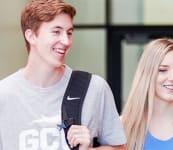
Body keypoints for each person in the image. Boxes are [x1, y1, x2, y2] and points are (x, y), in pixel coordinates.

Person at [0, 0, 126, 149]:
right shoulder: (4, 95)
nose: (66, 41)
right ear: (31, 36)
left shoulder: (94, 88)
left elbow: (119, 147)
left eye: (69, 33)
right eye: (56, 32)